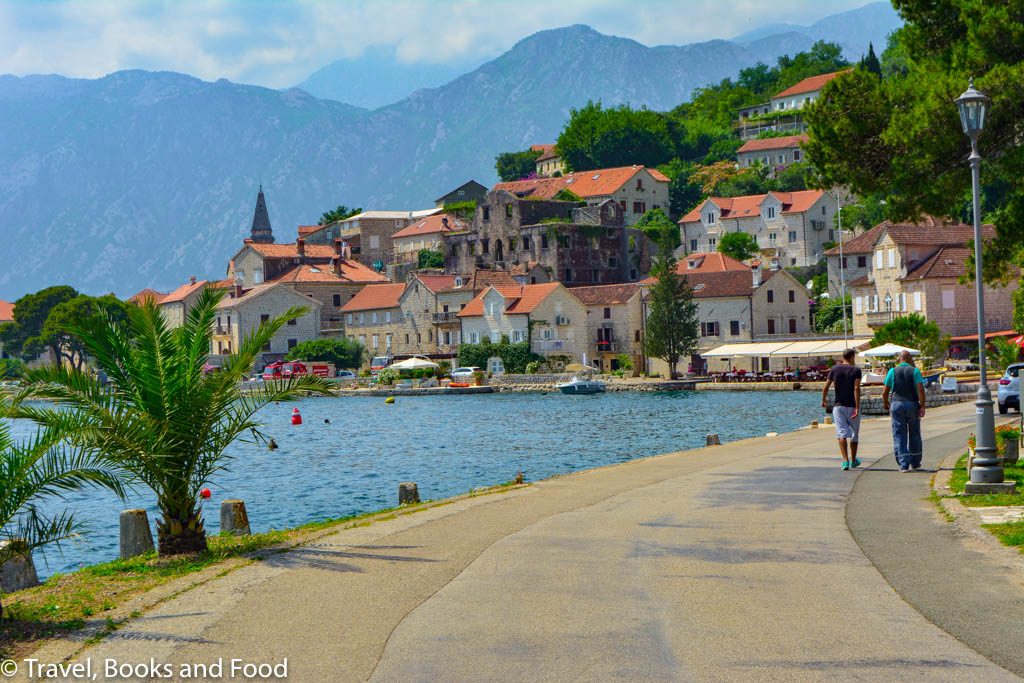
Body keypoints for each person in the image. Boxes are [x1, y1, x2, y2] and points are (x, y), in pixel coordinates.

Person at [883, 350, 926, 472]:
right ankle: (916, 462)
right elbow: (920, 390)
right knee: (915, 433)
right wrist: (922, 406)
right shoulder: (915, 371)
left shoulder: (892, 371)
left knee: (899, 434)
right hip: (912, 403)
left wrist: (886, 402)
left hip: (897, 404)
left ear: (899, 359)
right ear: (910, 359)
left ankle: (903, 464)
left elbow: (885, 391)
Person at [822, 349, 862, 470]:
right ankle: (854, 460)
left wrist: (823, 400)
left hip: (838, 406)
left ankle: (845, 461)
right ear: (852, 357)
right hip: (851, 406)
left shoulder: (834, 369)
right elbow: (856, 389)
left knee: (841, 434)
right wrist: (857, 406)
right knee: (854, 434)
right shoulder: (856, 370)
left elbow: (826, 386)